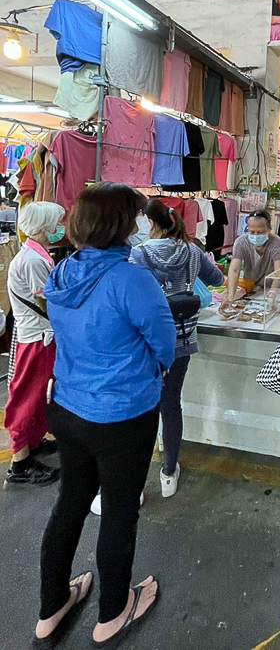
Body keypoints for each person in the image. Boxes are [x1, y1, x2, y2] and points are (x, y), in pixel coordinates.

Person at [34, 183, 176, 647]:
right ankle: (113, 613)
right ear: (120, 225)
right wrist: (152, 369)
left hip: (68, 409)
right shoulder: (131, 278)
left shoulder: (62, 272)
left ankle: (51, 606)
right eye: (134, 217)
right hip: (122, 415)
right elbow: (164, 342)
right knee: (118, 511)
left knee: (70, 504)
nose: (139, 225)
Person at [130, 200, 224, 498]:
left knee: (142, 411)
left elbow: (131, 295)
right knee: (171, 405)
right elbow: (217, 280)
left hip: (145, 342)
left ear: (151, 223)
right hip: (181, 341)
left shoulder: (138, 254)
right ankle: (169, 473)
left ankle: (137, 483)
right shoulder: (193, 250)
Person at [5, 202, 65, 487]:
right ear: (44, 228)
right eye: (55, 224)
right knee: (26, 397)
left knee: (38, 395)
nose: (58, 229)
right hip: (37, 338)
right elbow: (48, 303)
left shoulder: (36, 255)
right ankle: (20, 462)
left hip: (41, 335)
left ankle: (32, 442)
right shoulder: (31, 261)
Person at [220, 209, 280, 308]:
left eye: (260, 232)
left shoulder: (277, 243)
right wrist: (231, 296)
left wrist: (273, 292)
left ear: (269, 229)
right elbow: (235, 269)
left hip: (270, 288)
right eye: (252, 231)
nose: (255, 235)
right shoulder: (241, 242)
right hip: (250, 288)